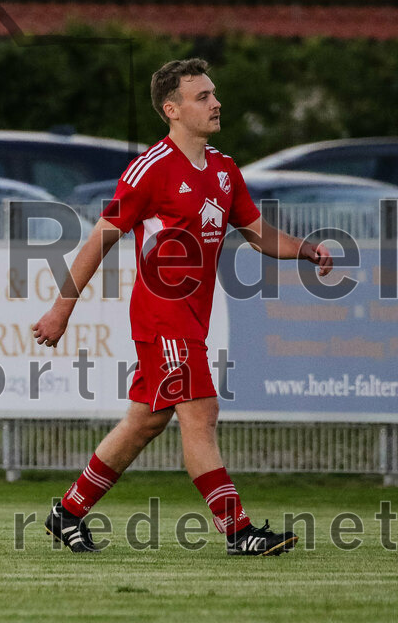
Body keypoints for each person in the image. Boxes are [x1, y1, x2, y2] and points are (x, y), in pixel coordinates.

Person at [33, 58, 333, 556]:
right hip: (161, 315)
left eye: (213, 94)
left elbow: (256, 233)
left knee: (146, 420)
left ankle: (67, 512)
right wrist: (61, 309)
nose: (216, 103)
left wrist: (306, 248)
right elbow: (97, 242)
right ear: (171, 110)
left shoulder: (223, 169)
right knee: (201, 413)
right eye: (202, 97)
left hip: (194, 318)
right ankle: (238, 533)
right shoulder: (150, 170)